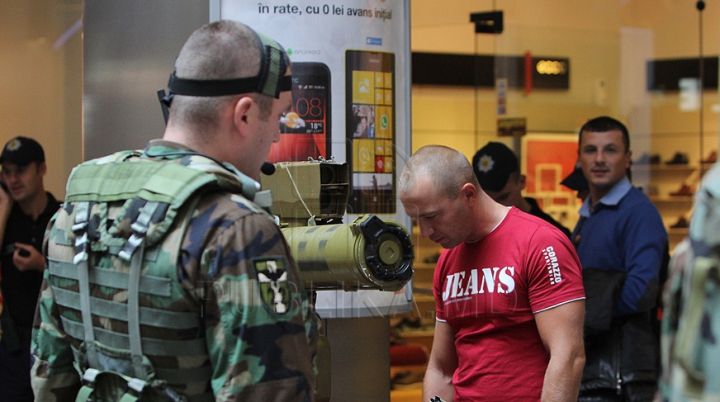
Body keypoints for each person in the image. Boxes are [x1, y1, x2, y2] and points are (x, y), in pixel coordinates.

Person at [30, 20, 316, 402]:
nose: (278, 135)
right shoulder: (237, 230)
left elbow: (49, 376)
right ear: (244, 114)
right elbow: (270, 392)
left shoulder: (75, 210)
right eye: (278, 117)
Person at [399, 145, 586, 401]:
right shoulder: (448, 261)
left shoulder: (540, 243)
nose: (426, 231)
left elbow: (568, 357)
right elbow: (441, 369)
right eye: (416, 219)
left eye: (432, 216)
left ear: (468, 195)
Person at [572, 116, 667, 401]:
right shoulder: (589, 212)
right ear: (579, 158)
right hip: (595, 368)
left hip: (622, 375)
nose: (599, 159)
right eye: (591, 150)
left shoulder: (639, 212)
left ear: (628, 159)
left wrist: (572, 315)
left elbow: (641, 292)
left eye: (610, 150)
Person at [0, 136, 61, 402]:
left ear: (42, 169)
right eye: (7, 172)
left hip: (55, 341)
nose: (13, 180)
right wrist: (3, 206)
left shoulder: (61, 215)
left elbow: (82, 276)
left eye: (21, 171)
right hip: (14, 344)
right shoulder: (6, 220)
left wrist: (42, 265)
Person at [472, 141, 572, 238]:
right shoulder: (477, 234)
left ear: (521, 182)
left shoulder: (552, 233)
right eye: (488, 200)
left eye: (503, 197)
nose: (496, 207)